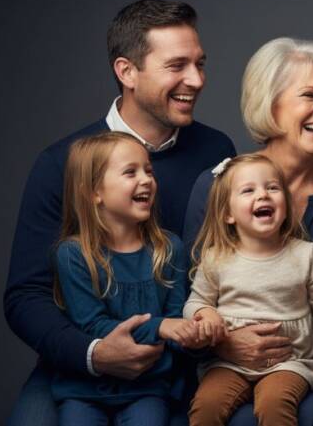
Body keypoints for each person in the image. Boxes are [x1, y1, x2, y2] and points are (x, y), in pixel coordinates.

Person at [4, 0, 236, 425]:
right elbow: (25, 296)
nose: (197, 80)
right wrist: (94, 354)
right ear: (127, 71)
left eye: (200, 64)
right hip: (78, 362)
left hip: (179, 362)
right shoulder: (63, 163)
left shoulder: (216, 152)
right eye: (177, 66)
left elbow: (231, 263)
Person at [183, 38, 313, 425]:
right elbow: (190, 295)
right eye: (309, 95)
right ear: (270, 103)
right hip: (224, 361)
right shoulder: (217, 185)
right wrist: (225, 343)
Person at [183, 154, 313, 426]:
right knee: (206, 404)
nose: (263, 195)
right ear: (228, 213)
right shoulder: (216, 257)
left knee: (274, 404)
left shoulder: (304, 254)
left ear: (286, 204)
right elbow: (195, 302)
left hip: (289, 361)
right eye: (248, 190)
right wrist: (205, 313)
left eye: (272, 188)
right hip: (228, 363)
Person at [53, 132, 202, 425]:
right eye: (130, 172)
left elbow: (175, 319)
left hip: (148, 388)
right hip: (84, 390)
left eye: (149, 171)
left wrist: (193, 335)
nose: (146, 180)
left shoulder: (168, 249)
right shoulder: (73, 254)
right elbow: (93, 326)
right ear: (94, 192)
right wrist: (161, 327)